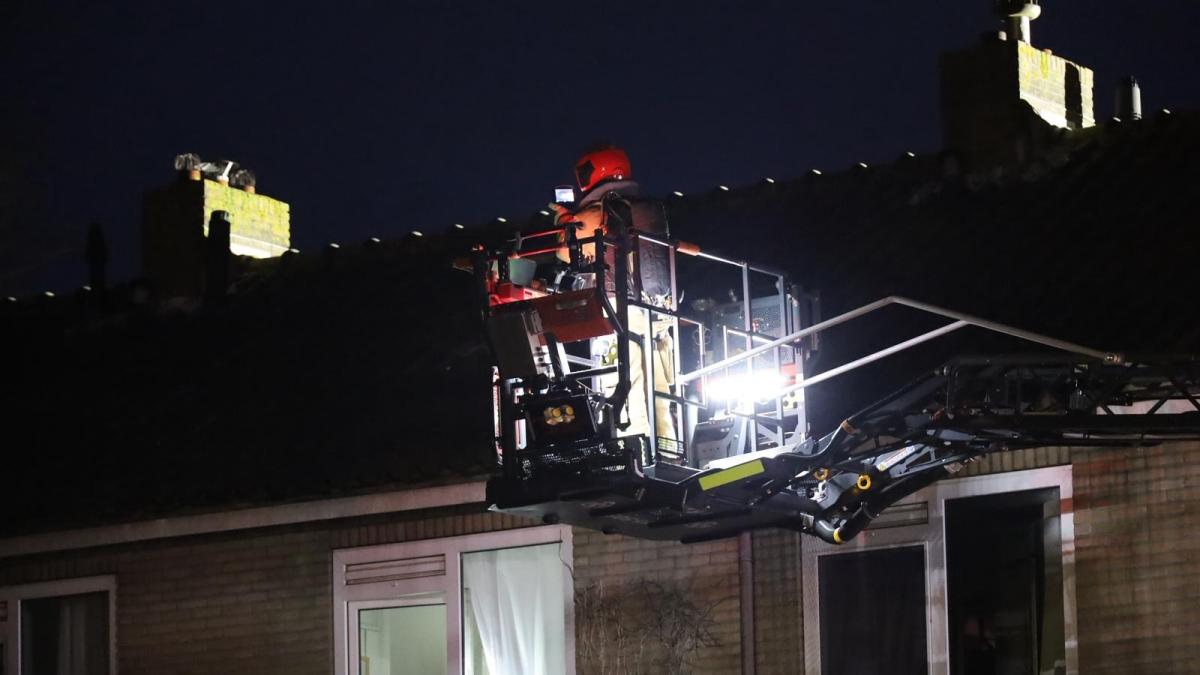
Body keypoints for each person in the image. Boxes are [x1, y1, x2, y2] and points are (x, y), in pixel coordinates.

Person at [550, 145, 677, 444]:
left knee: (625, 384)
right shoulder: (646, 208)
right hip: (657, 312)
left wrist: (563, 222)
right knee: (659, 390)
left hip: (620, 311)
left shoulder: (594, 213)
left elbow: (564, 253)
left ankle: (634, 450)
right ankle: (668, 449)